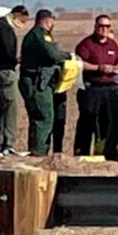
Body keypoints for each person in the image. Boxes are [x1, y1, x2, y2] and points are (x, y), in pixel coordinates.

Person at [18, 9, 72, 156]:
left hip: (34, 81)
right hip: (36, 83)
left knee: (37, 118)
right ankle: (39, 152)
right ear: (48, 21)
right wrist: (67, 55)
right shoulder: (39, 35)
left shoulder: (34, 35)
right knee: (44, 117)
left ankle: (35, 150)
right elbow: (53, 54)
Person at [73, 14, 118, 160]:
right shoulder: (86, 44)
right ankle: (81, 153)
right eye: (101, 26)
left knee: (107, 123)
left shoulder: (112, 44)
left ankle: (103, 153)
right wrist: (99, 68)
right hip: (91, 89)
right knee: (87, 122)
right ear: (95, 27)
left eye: (107, 26)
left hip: (109, 89)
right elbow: (80, 64)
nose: (104, 29)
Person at [0, 5, 30, 155]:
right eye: (23, 20)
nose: (23, 24)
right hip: (4, 71)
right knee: (11, 107)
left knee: (5, 106)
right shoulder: (4, 28)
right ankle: (7, 143)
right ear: (17, 15)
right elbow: (6, 50)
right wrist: (15, 60)